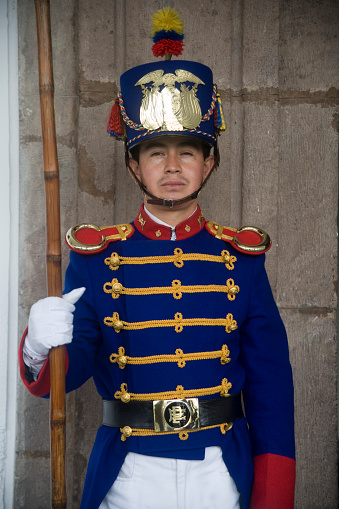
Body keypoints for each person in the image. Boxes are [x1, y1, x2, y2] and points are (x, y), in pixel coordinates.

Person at [19, 7, 295, 509]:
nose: (172, 166)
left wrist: (273, 496)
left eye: (188, 151)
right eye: (155, 152)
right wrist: (39, 347)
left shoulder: (244, 259)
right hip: (130, 473)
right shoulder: (96, 257)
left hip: (220, 469)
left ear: (208, 162)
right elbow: (70, 372)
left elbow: (272, 386)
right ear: (134, 165)